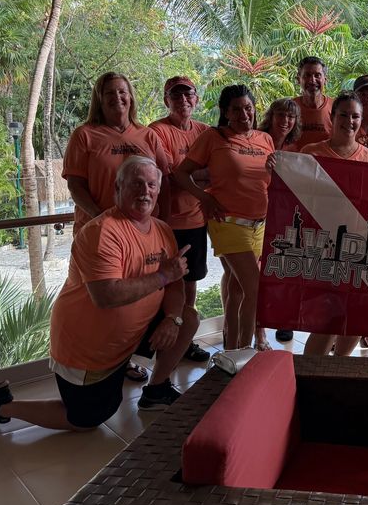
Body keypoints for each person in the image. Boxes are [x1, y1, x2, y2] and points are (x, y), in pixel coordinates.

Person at [0, 157, 198, 429]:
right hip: (88, 349)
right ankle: (1, 404)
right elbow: (106, 295)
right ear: (118, 188)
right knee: (87, 419)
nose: (145, 191)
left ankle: (156, 391)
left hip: (132, 335)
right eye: (136, 184)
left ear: (159, 190)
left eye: (151, 185)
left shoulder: (162, 230)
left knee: (187, 318)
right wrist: (163, 275)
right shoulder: (103, 232)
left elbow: (174, 284)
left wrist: (172, 318)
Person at [63, 71, 172, 383]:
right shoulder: (85, 135)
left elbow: (164, 179)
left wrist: (162, 222)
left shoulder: (147, 135)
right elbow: (75, 185)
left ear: (131, 97)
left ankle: (127, 359)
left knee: (138, 295)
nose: (117, 98)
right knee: (103, 300)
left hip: (143, 235)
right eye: (109, 93)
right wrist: (104, 219)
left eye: (123, 91)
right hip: (99, 234)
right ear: (99, 99)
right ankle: (99, 364)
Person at [174, 85, 275, 350]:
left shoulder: (265, 139)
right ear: (226, 112)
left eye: (248, 108)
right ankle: (244, 354)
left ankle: (230, 350)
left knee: (237, 289)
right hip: (227, 222)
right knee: (255, 289)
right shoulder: (214, 137)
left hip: (260, 225)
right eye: (236, 109)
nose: (244, 114)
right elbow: (181, 173)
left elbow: (267, 183)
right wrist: (204, 197)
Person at [299, 92, 368, 357]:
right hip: (324, 248)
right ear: (332, 117)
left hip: (361, 248)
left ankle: (339, 365)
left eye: (355, 116)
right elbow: (293, 196)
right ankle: (309, 373)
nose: (350, 121)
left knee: (356, 316)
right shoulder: (311, 153)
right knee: (328, 319)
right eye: (344, 115)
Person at [149, 76, 212, 364]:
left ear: (196, 99)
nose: (183, 100)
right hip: (167, 222)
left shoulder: (204, 131)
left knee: (191, 281)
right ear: (167, 100)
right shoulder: (157, 131)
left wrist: (187, 175)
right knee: (164, 283)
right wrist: (196, 175)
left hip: (197, 219)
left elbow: (214, 171)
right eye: (176, 95)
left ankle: (185, 340)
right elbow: (170, 175)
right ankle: (160, 342)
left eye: (188, 95)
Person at [259, 97, 302, 345]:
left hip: (283, 215)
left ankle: (283, 319)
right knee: (252, 274)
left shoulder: (295, 149)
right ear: (271, 116)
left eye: (291, 116)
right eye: (281, 115)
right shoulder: (256, 140)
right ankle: (256, 329)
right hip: (254, 213)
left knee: (283, 268)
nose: (285, 121)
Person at [293, 56, 333, 149]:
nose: (312, 80)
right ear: (298, 80)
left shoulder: (336, 108)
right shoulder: (290, 108)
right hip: (294, 158)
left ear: (325, 80)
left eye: (317, 75)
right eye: (307, 75)